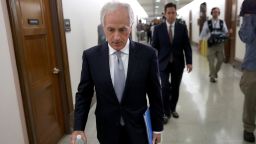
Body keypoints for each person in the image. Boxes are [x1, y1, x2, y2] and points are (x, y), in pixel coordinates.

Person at [71, 2, 164, 144]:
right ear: (103, 28)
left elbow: (155, 93)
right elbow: (84, 94)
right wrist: (78, 127)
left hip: (138, 128)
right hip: (107, 129)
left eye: (122, 30)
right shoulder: (91, 57)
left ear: (131, 26)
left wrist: (157, 128)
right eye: (110, 30)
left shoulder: (148, 55)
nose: (116, 37)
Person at [151, 2, 192, 124]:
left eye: (173, 12)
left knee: (175, 87)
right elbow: (154, 47)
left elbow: (187, 46)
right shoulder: (158, 29)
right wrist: (152, 62)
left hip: (178, 63)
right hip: (162, 63)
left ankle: (173, 107)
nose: (171, 15)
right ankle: (166, 112)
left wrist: (189, 62)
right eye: (168, 13)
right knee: (164, 87)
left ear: (176, 13)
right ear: (164, 14)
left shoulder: (182, 27)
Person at [238, 0, 256, 142]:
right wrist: (249, 16)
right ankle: (249, 128)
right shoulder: (250, 5)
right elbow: (246, 37)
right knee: (251, 98)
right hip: (253, 65)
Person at [199, 7, 229, 83]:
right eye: (214, 12)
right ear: (211, 13)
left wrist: (227, 34)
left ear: (219, 13)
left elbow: (226, 32)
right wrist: (200, 44)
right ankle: (212, 77)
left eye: (217, 12)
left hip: (220, 44)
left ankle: (214, 73)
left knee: (221, 60)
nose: (215, 13)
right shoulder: (207, 23)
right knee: (211, 61)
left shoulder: (222, 22)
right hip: (210, 44)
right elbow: (202, 34)